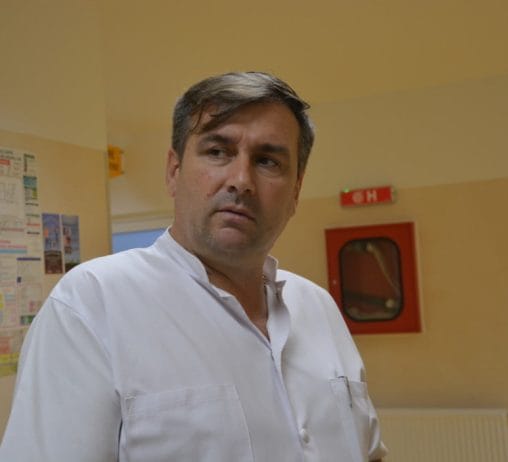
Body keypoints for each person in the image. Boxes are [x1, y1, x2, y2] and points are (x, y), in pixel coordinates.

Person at [0, 72, 387, 461]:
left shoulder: (318, 308)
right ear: (173, 171)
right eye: (217, 152)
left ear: (296, 190)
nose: (241, 180)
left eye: (268, 161)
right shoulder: (90, 305)